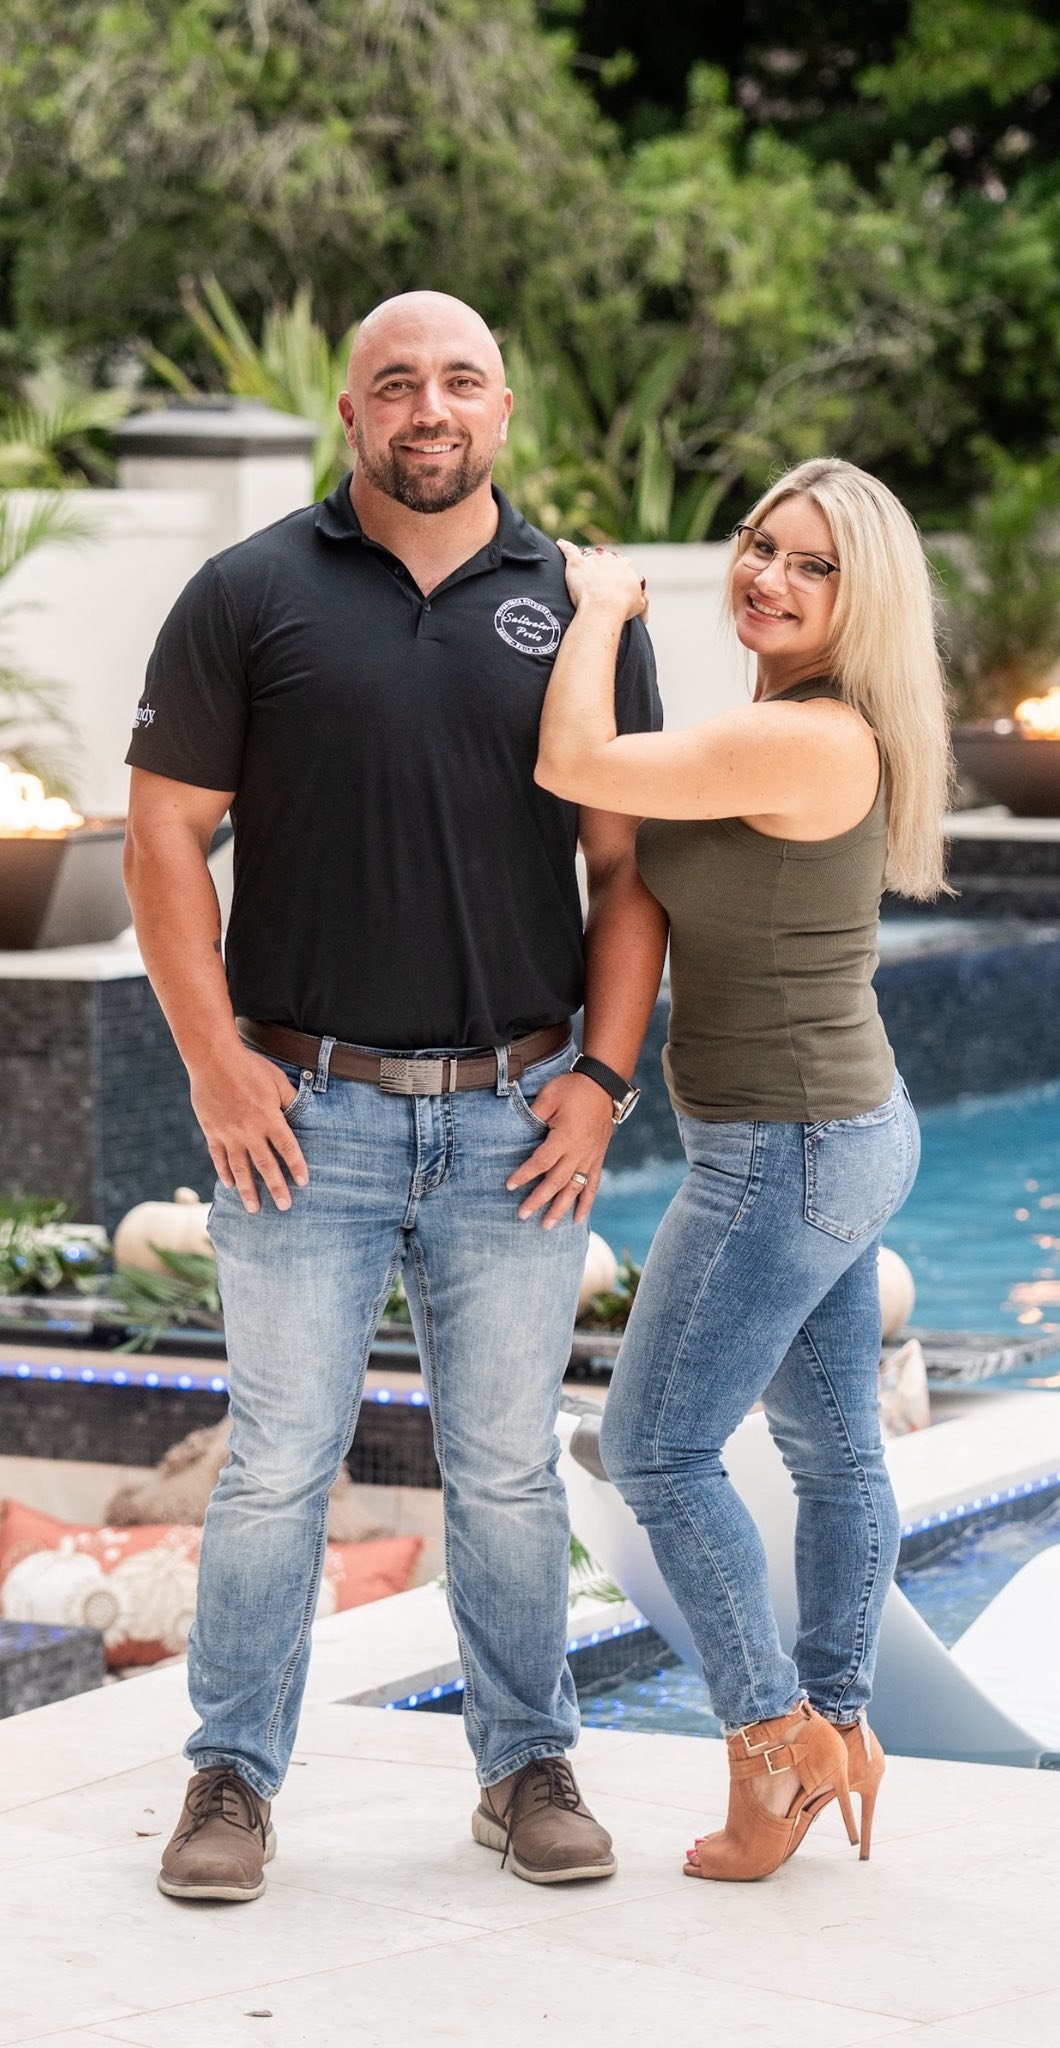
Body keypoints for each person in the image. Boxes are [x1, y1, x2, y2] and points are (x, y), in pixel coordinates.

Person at [123, 290, 666, 1902]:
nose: (430, 408)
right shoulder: (247, 593)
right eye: (396, 384)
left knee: (504, 1464)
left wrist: (606, 1085)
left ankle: (523, 1767)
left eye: (461, 381)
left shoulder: (584, 605)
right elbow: (164, 838)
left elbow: (628, 868)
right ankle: (231, 1780)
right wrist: (216, 1062)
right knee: (279, 1458)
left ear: (502, 408)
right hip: (305, 1116)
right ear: (351, 413)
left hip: (519, 1120)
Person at [534, 457, 951, 1881]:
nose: (767, 575)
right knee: (835, 1452)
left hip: (786, 1149)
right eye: (761, 545)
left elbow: (574, 764)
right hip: (837, 1132)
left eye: (812, 566)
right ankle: (839, 1724)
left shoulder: (814, 738)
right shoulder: (780, 720)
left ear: (863, 601)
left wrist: (597, 606)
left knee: (651, 1445)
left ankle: (776, 1741)